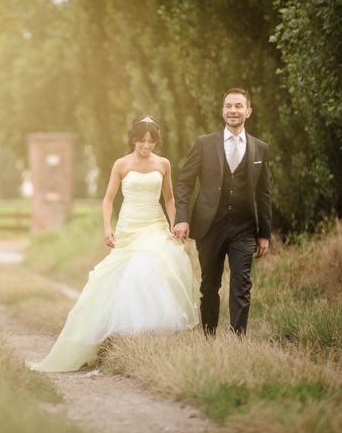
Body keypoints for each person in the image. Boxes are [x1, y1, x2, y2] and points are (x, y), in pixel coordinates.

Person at [31, 116, 199, 373]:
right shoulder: (121, 164)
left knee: (151, 269)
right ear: (133, 139)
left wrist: (175, 224)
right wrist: (108, 227)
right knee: (122, 277)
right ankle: (120, 334)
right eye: (142, 141)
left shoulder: (163, 164)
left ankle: (149, 334)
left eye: (151, 142)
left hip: (154, 225)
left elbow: (169, 198)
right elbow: (108, 199)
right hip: (128, 228)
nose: (146, 146)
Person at [173, 88, 271, 336]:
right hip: (209, 226)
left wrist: (264, 234)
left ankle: (238, 338)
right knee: (209, 285)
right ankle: (209, 337)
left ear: (248, 111)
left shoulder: (260, 148)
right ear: (222, 110)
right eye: (228, 106)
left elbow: (263, 194)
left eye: (238, 106)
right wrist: (181, 219)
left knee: (242, 284)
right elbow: (184, 183)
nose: (233, 110)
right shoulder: (204, 144)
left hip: (244, 227)